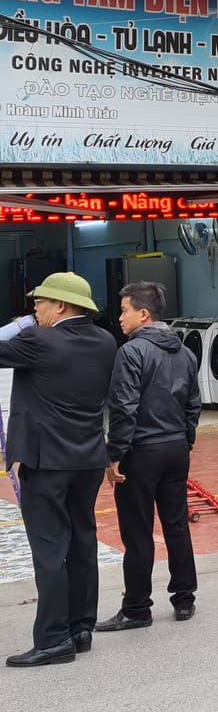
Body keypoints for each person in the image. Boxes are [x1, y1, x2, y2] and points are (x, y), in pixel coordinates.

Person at [0, 273, 117, 667]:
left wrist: (17, 328)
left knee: (50, 550)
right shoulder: (105, 341)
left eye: (40, 303)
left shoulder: (38, 339)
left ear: (61, 306)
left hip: (46, 460)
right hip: (86, 458)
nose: (34, 309)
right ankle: (81, 627)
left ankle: (52, 638)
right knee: (82, 541)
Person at [96, 281, 200, 634]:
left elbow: (124, 407)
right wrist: (185, 440)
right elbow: (193, 404)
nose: (120, 317)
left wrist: (115, 455)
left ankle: (137, 608)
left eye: (124, 310)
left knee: (137, 532)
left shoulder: (132, 352)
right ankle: (184, 598)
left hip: (141, 451)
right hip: (174, 450)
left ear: (143, 313)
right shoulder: (184, 352)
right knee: (176, 525)